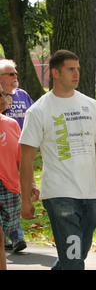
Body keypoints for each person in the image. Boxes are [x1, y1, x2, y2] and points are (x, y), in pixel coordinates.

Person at [19, 50, 96, 270]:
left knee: (76, 255)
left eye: (77, 68)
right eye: (70, 69)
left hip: (88, 194)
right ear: (55, 73)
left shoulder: (91, 105)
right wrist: (25, 199)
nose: (76, 73)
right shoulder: (39, 110)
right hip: (59, 195)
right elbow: (27, 158)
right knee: (73, 260)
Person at [0, 85, 35, 270]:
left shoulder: (11, 124)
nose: (3, 97)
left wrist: (31, 184)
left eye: (2, 93)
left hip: (9, 189)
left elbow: (22, 159)